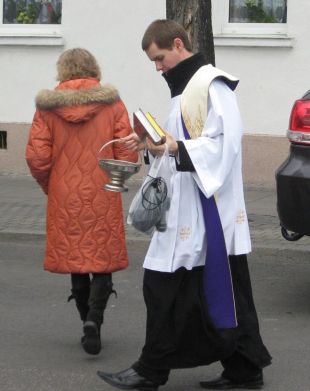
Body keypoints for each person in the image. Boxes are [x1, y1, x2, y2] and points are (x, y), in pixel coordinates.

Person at [97, 20, 271, 390]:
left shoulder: (212, 84)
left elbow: (226, 142)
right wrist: (151, 141)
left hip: (206, 210)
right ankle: (245, 368)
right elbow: (179, 142)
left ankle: (151, 370)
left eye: (160, 59)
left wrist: (175, 147)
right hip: (190, 205)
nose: (158, 68)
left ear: (178, 44)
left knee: (164, 287)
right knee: (225, 292)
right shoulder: (185, 91)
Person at [25, 48, 138, 355]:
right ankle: (95, 319)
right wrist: (118, 179)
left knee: (77, 255)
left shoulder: (47, 108)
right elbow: (127, 150)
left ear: (62, 71)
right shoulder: (112, 103)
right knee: (101, 254)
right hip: (103, 187)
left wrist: (51, 185)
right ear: (93, 69)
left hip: (65, 191)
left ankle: (84, 321)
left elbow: (37, 156)